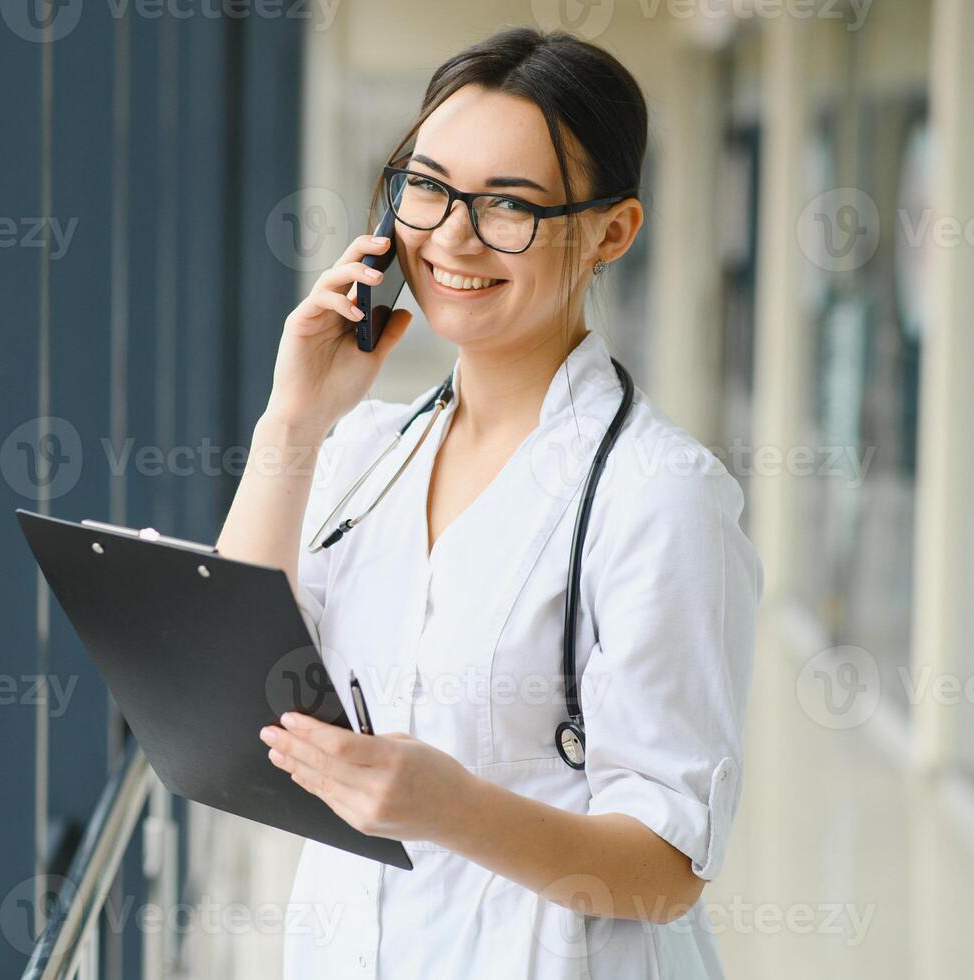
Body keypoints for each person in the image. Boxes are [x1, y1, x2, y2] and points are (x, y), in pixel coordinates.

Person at [217, 26, 763, 980]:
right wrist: (290, 418)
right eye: (426, 188)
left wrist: (452, 808)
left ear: (612, 230)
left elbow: (669, 872)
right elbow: (228, 677)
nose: (452, 237)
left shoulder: (660, 498)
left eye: (508, 205)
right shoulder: (362, 448)